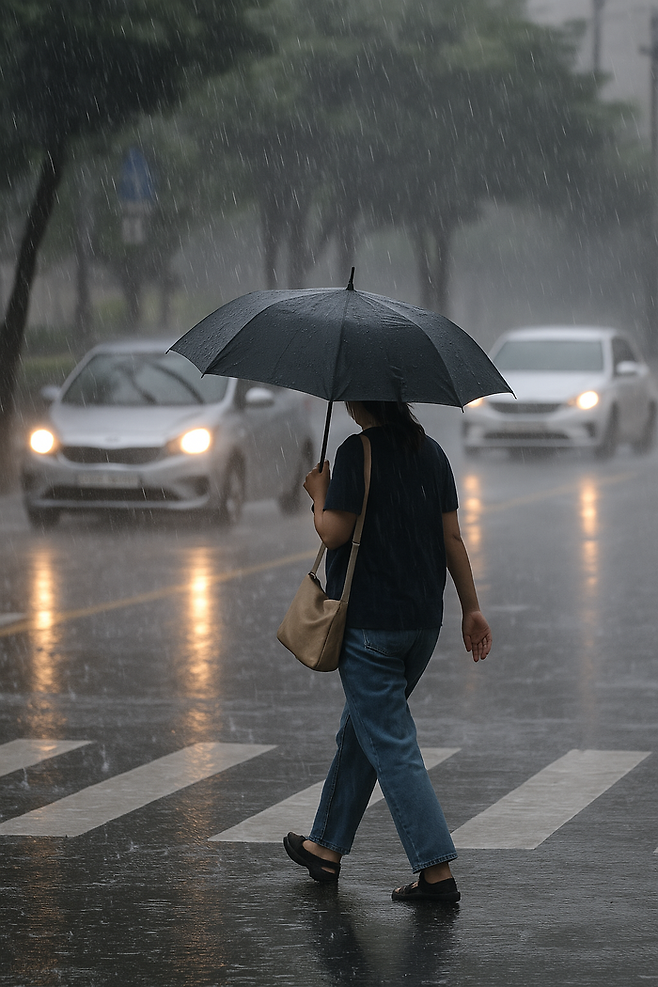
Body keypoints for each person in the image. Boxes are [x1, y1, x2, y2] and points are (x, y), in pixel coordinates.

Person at [283, 400, 491, 902]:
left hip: (369, 624)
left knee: (391, 745)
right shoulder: (432, 454)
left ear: (357, 403)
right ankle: (325, 848)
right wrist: (471, 608)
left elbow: (333, 531)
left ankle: (436, 872)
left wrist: (318, 494)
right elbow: (452, 539)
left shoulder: (357, 453)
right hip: (421, 624)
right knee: (364, 729)